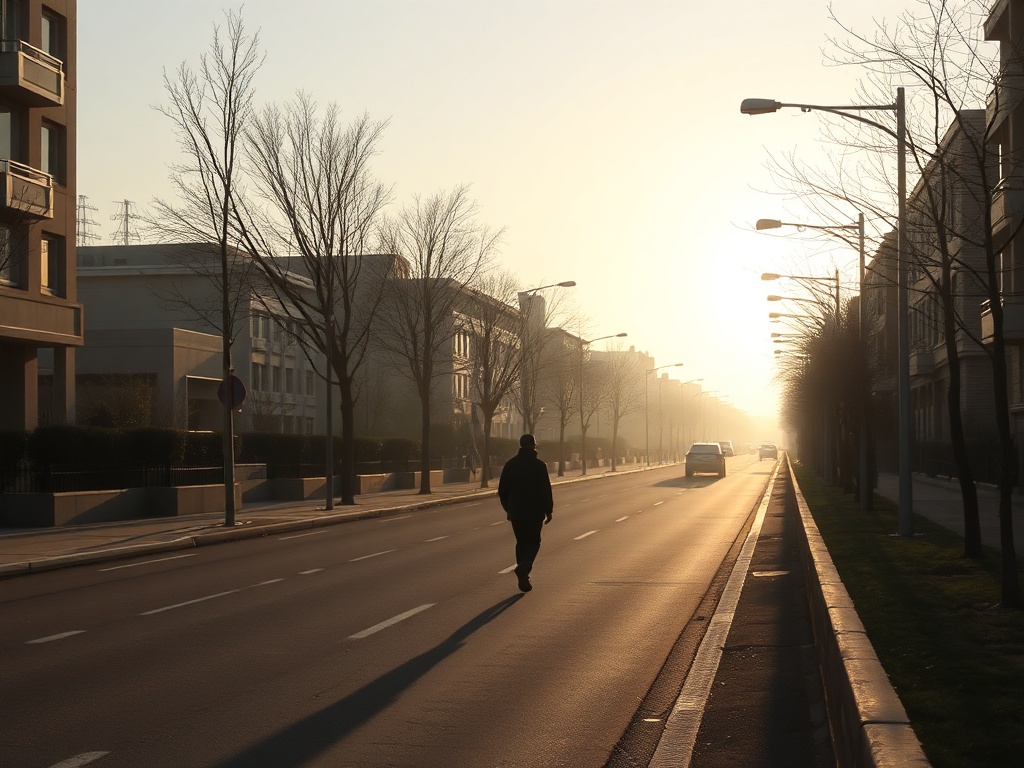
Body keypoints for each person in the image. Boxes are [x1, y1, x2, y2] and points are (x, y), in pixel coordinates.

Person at [498, 434, 554, 592]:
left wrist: (509, 508)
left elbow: (502, 490)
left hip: (516, 511)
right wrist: (548, 510)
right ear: (534, 446)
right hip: (534, 511)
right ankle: (523, 568)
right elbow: (545, 490)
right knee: (534, 542)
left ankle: (523, 575)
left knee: (521, 542)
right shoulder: (539, 466)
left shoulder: (510, 465)